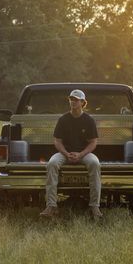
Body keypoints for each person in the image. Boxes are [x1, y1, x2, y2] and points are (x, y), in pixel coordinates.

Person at [40, 89, 102, 219]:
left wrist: (81, 154)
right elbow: (57, 141)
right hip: (64, 153)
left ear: (83, 102)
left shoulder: (89, 120)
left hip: (84, 153)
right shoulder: (63, 119)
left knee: (95, 163)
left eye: (76, 99)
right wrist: (66, 154)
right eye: (71, 99)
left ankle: (94, 206)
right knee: (51, 163)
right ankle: (51, 206)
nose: (73, 101)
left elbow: (93, 142)